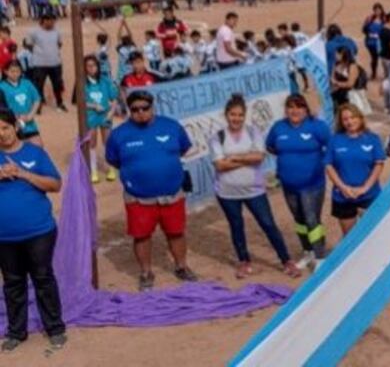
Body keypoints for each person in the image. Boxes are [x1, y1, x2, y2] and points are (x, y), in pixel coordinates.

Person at [106, 90, 197, 291]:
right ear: (129, 111)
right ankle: (146, 272)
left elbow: (183, 149)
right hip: (138, 198)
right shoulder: (118, 135)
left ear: (152, 107)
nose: (140, 113)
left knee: (176, 232)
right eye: (135, 109)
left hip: (172, 194)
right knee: (142, 236)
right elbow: (113, 160)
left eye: (145, 108)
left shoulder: (171, 126)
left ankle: (181, 266)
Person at [210, 95, 301, 279]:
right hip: (227, 193)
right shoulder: (217, 137)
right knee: (236, 226)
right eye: (233, 114)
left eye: (240, 115)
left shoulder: (253, 133)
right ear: (226, 115)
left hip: (254, 190)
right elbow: (220, 165)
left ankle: (286, 260)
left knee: (268, 224)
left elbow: (259, 157)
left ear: (245, 116)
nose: (236, 118)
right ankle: (244, 261)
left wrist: (233, 158)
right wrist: (246, 158)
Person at [0, 108, 67, 353]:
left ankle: (55, 328)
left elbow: (55, 184)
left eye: (5, 127)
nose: (2, 134)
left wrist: (23, 174)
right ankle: (17, 332)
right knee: (13, 283)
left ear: (15, 127)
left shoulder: (34, 153)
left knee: (42, 278)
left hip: (39, 232)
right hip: (4, 236)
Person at [265, 94, 332, 268]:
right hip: (289, 185)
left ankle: (320, 257)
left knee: (312, 220)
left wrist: (319, 163)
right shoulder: (278, 127)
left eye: (299, 107)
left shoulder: (317, 126)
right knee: (300, 221)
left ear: (306, 109)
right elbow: (270, 146)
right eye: (290, 107)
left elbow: (330, 147)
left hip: (312, 184)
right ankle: (307, 252)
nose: (294, 111)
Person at [325, 104, 385, 236]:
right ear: (341, 122)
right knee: (350, 239)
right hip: (343, 196)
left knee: (374, 234)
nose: (350, 122)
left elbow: (379, 164)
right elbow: (328, 166)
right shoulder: (335, 140)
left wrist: (364, 188)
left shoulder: (372, 139)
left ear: (360, 117)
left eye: (353, 117)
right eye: (345, 119)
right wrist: (343, 188)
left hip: (369, 195)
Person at [76, 55, 118, 182]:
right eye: (88, 66)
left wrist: (111, 113)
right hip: (91, 116)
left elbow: (114, 99)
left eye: (93, 65)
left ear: (98, 66)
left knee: (107, 142)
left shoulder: (105, 81)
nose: (91, 68)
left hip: (105, 116)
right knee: (92, 143)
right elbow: (80, 102)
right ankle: (93, 171)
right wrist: (94, 105)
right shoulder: (82, 83)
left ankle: (111, 168)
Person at [25, 13, 67, 113]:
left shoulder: (57, 32)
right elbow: (28, 44)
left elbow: (59, 44)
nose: (53, 23)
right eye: (51, 21)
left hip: (55, 63)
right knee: (38, 86)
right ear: (44, 21)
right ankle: (38, 106)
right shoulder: (34, 32)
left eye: (54, 21)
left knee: (57, 84)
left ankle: (60, 103)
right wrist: (39, 54)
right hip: (40, 64)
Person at [0, 61, 41, 145]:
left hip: (30, 124)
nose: (15, 74)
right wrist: (16, 117)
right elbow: (2, 108)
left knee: (38, 147)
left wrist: (30, 115)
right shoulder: (2, 87)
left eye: (17, 71)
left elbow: (37, 99)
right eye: (12, 71)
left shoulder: (27, 83)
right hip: (13, 125)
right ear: (6, 72)